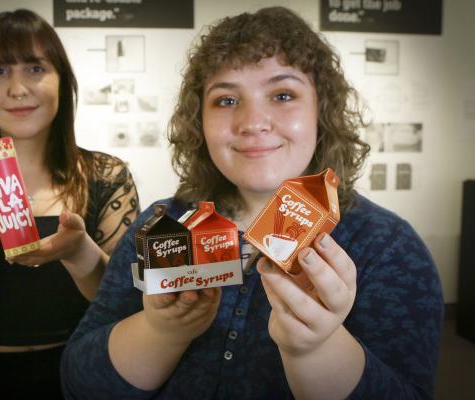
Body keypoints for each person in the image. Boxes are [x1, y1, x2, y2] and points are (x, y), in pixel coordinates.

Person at [61, 6, 443, 400]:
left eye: (282, 95)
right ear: (199, 120)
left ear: (322, 112)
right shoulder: (164, 223)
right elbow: (80, 382)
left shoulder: (388, 247)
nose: (253, 122)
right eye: (226, 100)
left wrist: (315, 349)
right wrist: (162, 331)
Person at [0, 9, 139, 400]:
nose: (17, 88)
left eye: (34, 68)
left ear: (62, 81)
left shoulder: (106, 177)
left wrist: (79, 252)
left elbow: (126, 301)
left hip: (80, 374)